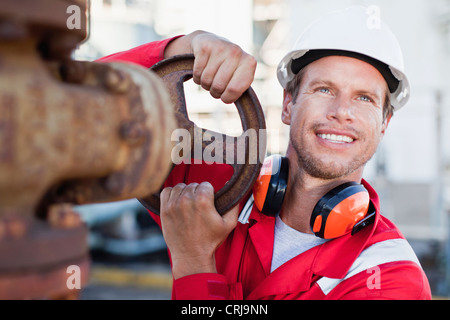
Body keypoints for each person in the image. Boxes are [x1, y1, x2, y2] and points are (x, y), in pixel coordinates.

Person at [98, 6, 431, 299]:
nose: (341, 112)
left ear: (384, 123)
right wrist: (182, 49)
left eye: (364, 99)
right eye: (324, 89)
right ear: (288, 104)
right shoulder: (219, 189)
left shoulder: (388, 279)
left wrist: (194, 262)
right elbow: (76, 105)